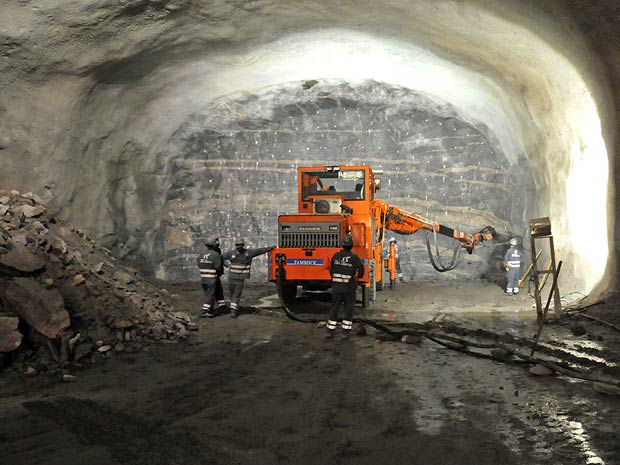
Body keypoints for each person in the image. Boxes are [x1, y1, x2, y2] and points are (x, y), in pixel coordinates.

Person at [222, 238, 274, 318]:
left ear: (243, 245)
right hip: (232, 277)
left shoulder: (248, 253)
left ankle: (233, 311)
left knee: (236, 294)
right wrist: (227, 265)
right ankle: (234, 306)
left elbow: (260, 251)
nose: (239, 246)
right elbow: (221, 258)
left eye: (240, 245)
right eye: (237, 245)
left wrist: (270, 248)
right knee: (232, 293)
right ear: (235, 245)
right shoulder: (231, 253)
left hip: (240, 278)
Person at [326, 233, 364, 339]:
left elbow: (331, 270)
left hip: (336, 287)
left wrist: (335, 279)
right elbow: (361, 269)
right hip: (349, 288)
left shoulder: (336, 256)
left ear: (342, 245)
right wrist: (357, 278)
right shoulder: (354, 258)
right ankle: (345, 332)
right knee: (348, 309)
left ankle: (330, 330)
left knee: (334, 308)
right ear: (351, 245)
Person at [196, 235, 224, 318]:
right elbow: (218, 267)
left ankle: (211, 309)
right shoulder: (216, 255)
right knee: (210, 295)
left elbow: (199, 264)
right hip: (211, 278)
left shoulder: (201, 255)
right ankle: (204, 311)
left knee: (207, 294)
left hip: (203, 278)